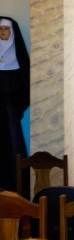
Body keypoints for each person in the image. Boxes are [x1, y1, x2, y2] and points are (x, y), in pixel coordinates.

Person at [0, 17, 30, 191]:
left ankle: (14, 189)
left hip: (10, 115)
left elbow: (25, 86)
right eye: (0, 29)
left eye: (6, 29)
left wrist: (15, 107)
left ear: (12, 32)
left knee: (12, 147)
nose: (3, 32)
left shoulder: (18, 57)